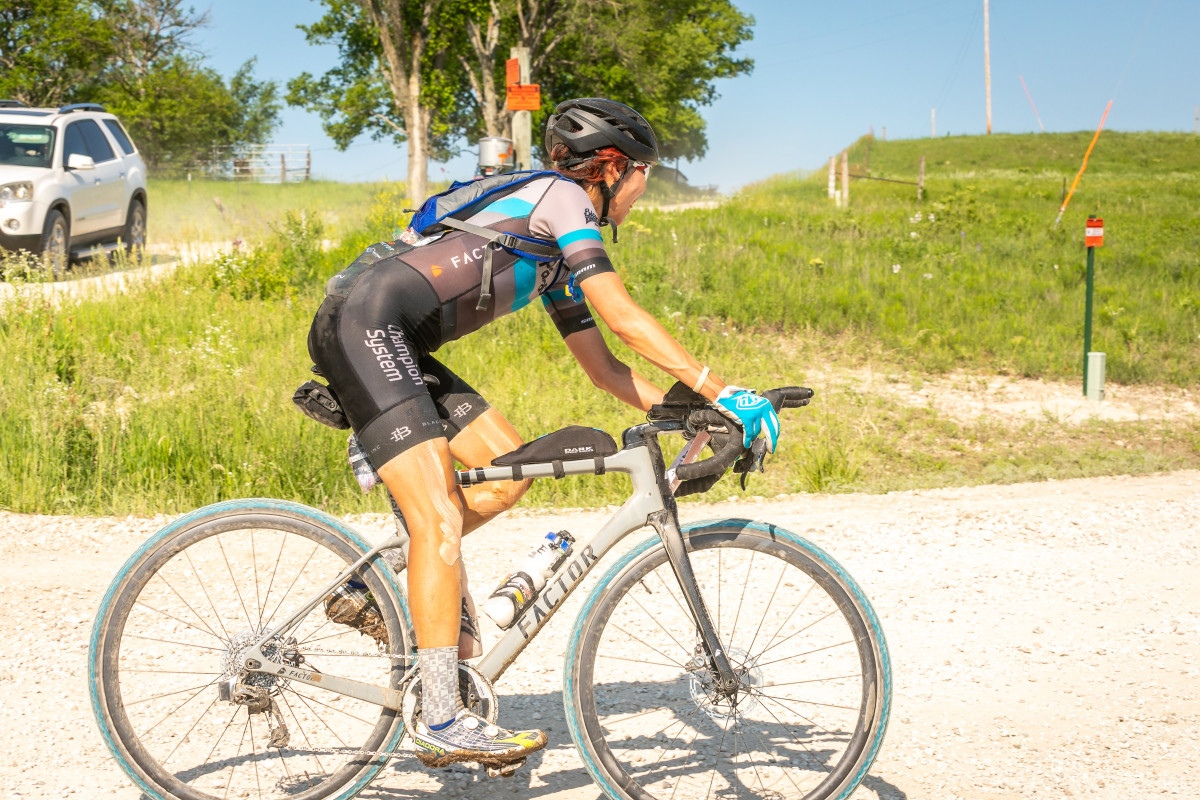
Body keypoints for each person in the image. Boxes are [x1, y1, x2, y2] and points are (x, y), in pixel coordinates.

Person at [305, 97, 780, 770]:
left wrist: (691, 412)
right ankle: (441, 717)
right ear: (614, 168)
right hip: (366, 328)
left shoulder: (552, 251)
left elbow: (604, 367)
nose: (644, 190)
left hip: (390, 339)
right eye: (645, 173)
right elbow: (623, 316)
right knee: (438, 516)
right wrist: (720, 387)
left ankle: (373, 585)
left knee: (507, 468)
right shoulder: (561, 198)